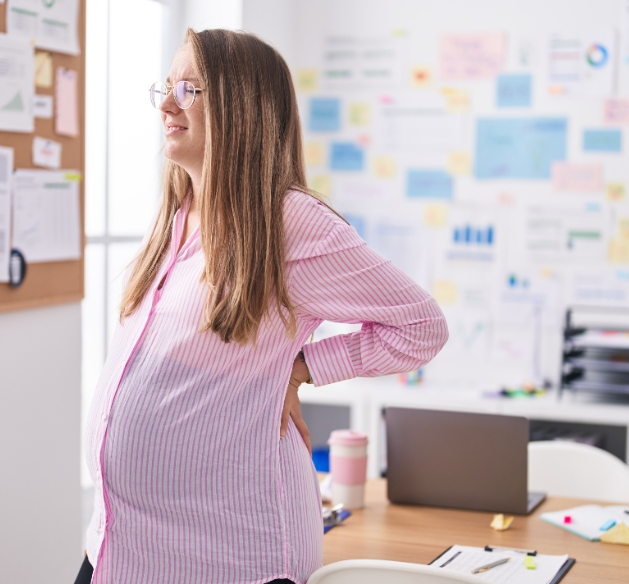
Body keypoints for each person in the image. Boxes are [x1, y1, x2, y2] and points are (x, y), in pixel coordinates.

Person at [78, 28, 448, 584]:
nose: (167, 105)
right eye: (167, 86)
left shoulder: (290, 223)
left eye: (190, 88)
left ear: (241, 108)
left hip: (228, 559)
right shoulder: (178, 216)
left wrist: (302, 369)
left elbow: (421, 327)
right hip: (120, 546)